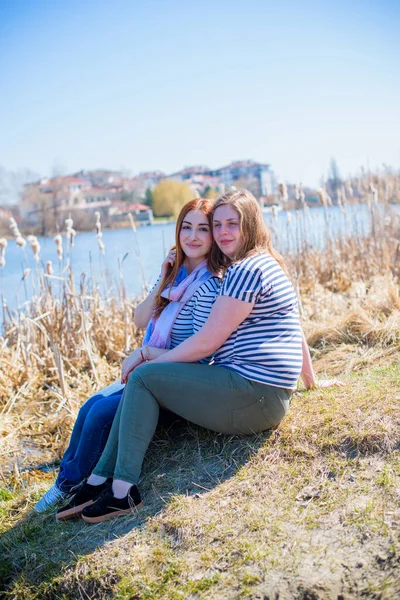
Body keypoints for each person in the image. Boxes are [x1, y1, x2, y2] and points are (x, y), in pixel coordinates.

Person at [61, 189, 342, 524]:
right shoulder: (264, 263)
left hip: (254, 395)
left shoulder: (244, 271)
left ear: (250, 225)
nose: (223, 232)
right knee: (134, 382)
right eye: (218, 224)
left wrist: (148, 358)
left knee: (142, 378)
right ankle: (98, 482)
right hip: (262, 394)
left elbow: (206, 343)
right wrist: (310, 382)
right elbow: (293, 329)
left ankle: (120, 492)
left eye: (231, 224)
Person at [34, 198, 221, 514]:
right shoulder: (174, 276)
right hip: (152, 370)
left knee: (100, 414)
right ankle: (67, 480)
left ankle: (69, 487)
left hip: (175, 380)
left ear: (214, 236)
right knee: (89, 406)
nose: (193, 236)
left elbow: (199, 354)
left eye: (203, 229)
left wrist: (144, 354)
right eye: (186, 227)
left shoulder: (210, 284)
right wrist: (163, 277)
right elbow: (139, 319)